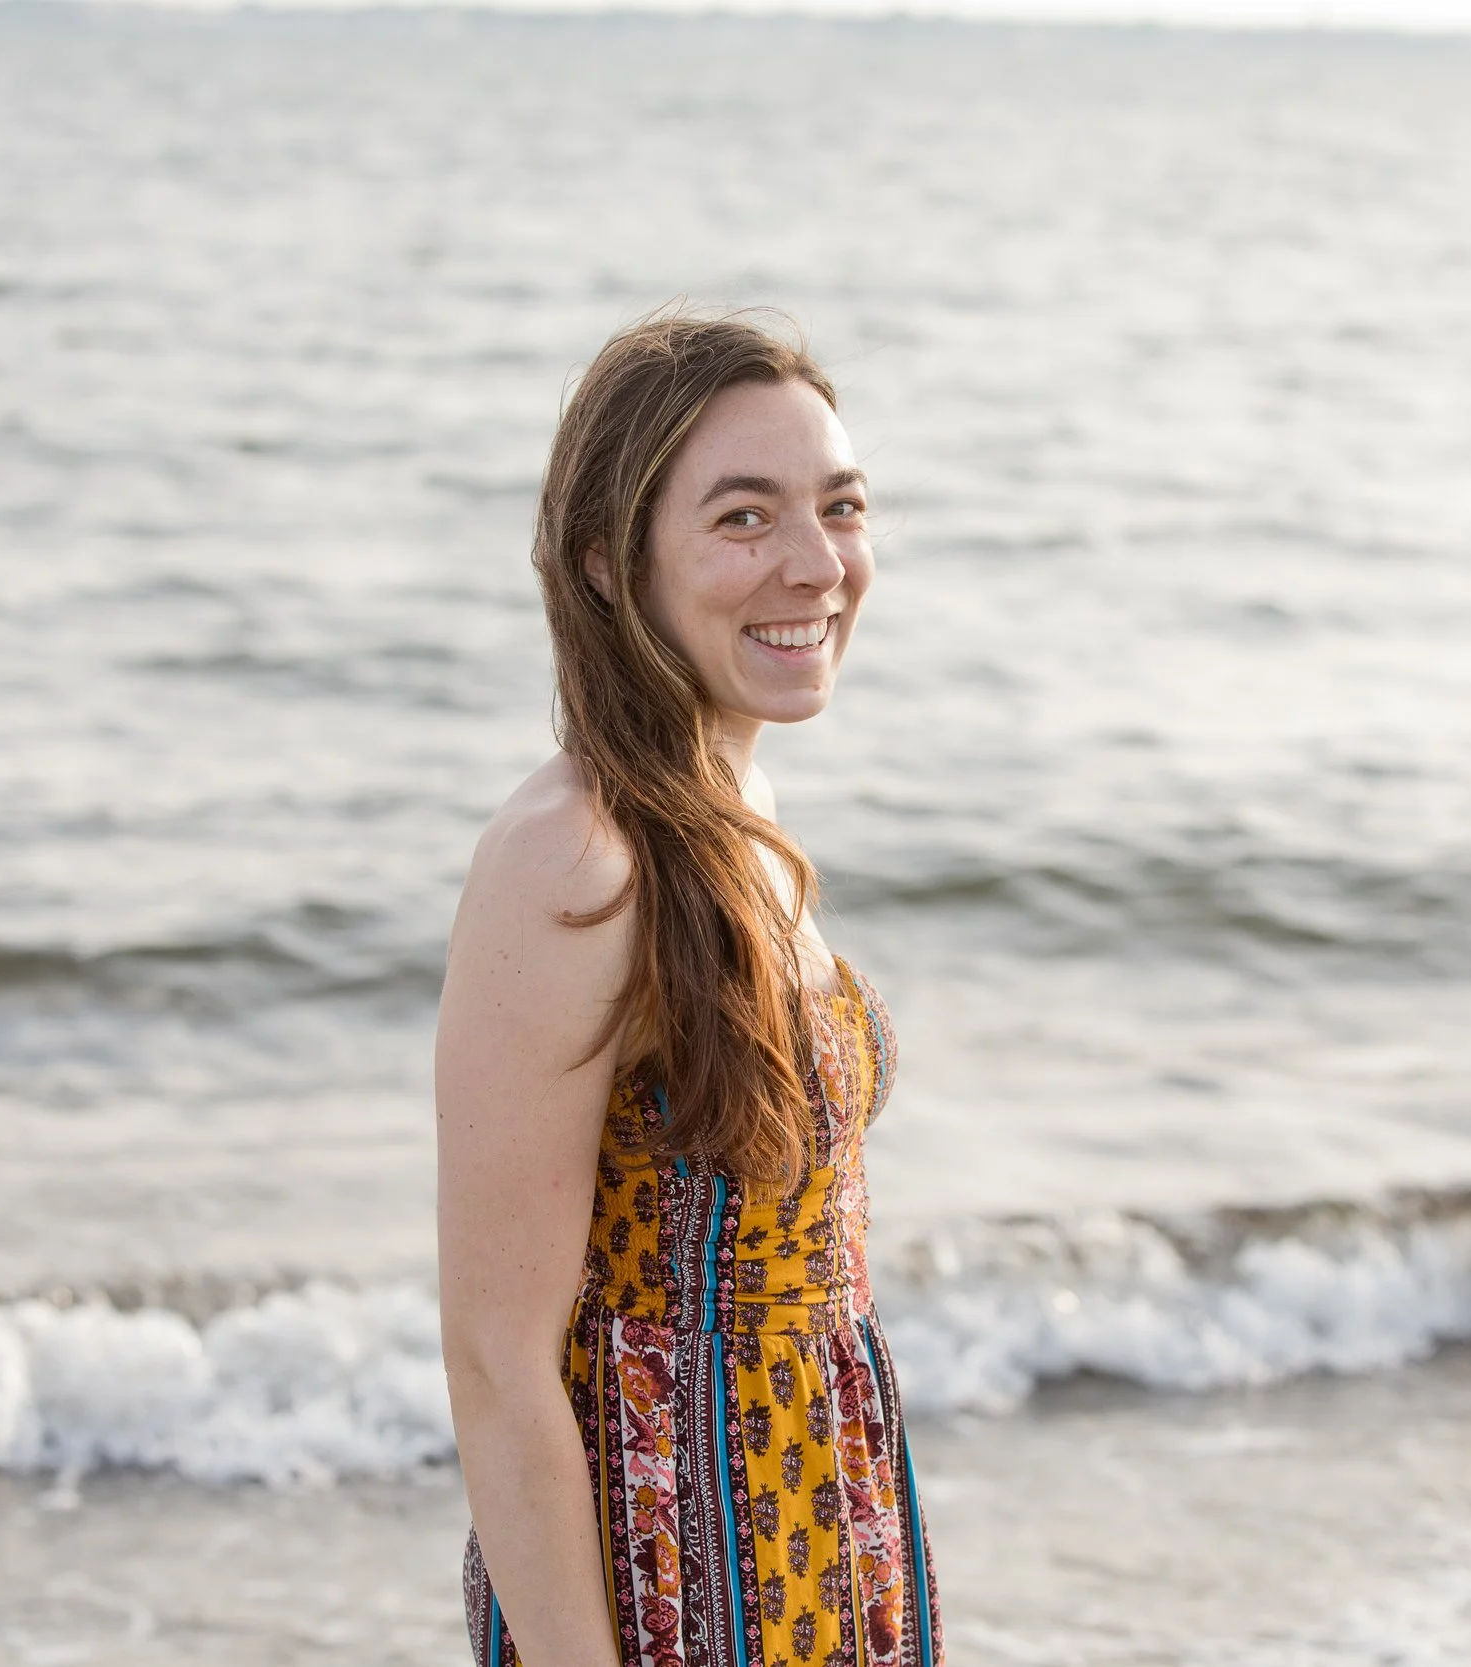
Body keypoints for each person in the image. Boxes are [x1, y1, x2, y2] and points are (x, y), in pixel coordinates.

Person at [436, 310, 941, 1667]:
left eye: (841, 506)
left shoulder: (732, 808)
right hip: (669, 1576)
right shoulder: (573, 856)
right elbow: (496, 1361)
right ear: (607, 562)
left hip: (818, 1533)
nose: (818, 562)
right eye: (743, 516)